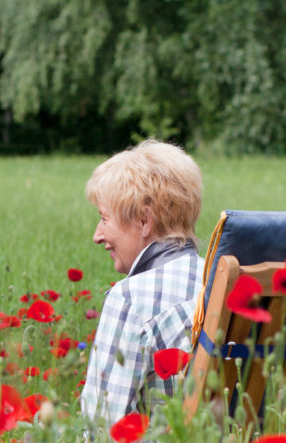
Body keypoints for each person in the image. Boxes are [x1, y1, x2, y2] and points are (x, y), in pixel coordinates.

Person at [78, 140, 205, 425]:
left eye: (104, 218)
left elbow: (102, 430)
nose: (97, 235)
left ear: (144, 221)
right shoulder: (224, 281)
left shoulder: (131, 299)